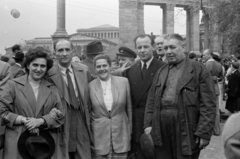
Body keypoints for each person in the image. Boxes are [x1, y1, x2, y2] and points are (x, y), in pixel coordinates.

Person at [144, 34, 216, 159]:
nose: (168, 52)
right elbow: (151, 101)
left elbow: (208, 104)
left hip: (186, 127)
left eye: (172, 47)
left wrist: (204, 132)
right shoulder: (161, 71)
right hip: (161, 128)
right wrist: (148, 125)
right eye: (165, 48)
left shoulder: (198, 69)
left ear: (183, 46)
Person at [0, 47, 65, 159]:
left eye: (42, 66)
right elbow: (2, 112)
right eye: (35, 65)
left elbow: (61, 115)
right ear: (28, 65)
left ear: (46, 68)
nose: (38, 69)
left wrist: (41, 121)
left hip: (44, 143)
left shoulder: (52, 89)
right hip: (17, 141)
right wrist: (24, 120)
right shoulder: (12, 85)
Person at [47, 39, 92, 159]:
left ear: (73, 51)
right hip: (61, 121)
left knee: (84, 155)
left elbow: (96, 84)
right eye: (60, 50)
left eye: (67, 49)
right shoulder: (48, 74)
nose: (64, 53)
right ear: (54, 53)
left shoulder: (83, 70)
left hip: (81, 118)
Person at [122, 34, 165, 159]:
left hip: (154, 125)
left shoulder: (163, 68)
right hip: (136, 125)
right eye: (139, 47)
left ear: (153, 47)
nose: (142, 50)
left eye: (146, 47)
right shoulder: (130, 69)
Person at [89, 55, 132, 159]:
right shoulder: (90, 86)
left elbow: (129, 109)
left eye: (105, 65)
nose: (102, 69)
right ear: (95, 69)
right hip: (100, 137)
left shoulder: (124, 82)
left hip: (121, 135)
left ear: (110, 66)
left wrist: (129, 131)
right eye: (98, 66)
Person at [202, 49, 222, 136]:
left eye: (204, 55)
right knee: (216, 110)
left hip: (208, 89)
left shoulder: (207, 65)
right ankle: (217, 130)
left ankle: (208, 130)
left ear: (209, 55)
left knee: (208, 110)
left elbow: (203, 78)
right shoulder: (219, 64)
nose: (203, 57)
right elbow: (221, 77)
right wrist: (216, 78)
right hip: (216, 88)